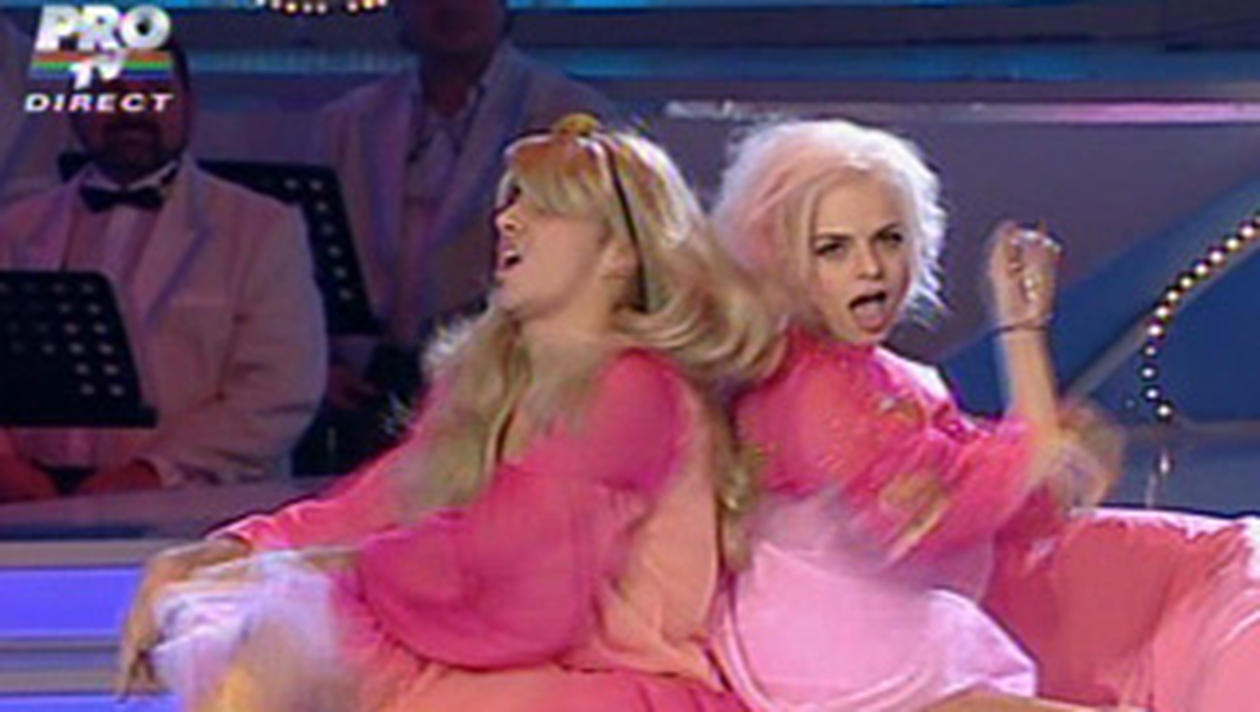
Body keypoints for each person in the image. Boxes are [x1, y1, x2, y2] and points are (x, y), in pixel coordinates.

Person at [117, 115, 777, 711]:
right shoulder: (490, 380)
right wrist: (232, 549)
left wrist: (294, 573)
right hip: (499, 675)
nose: (508, 221)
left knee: (291, 636)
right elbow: (381, 501)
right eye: (510, 202)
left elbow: (514, 579)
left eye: (545, 208)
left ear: (621, 253)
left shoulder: (635, 388)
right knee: (267, 637)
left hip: (608, 689)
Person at [709, 119, 1119, 712]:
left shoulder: (884, 375)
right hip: (831, 647)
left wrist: (1022, 331)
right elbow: (941, 511)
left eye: (888, 239)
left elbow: (1006, 480)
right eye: (833, 249)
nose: (871, 268)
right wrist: (1025, 358)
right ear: (779, 259)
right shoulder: (810, 389)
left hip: (872, 630)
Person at [0, 44, 326, 500]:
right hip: (24, 498)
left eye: (155, 90)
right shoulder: (13, 227)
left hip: (188, 500)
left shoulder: (262, 228)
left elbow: (279, 390)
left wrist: (149, 474)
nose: (133, 110)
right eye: (111, 92)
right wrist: (10, 470)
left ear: (190, 103)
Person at [311, 0, 616, 470]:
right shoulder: (348, 120)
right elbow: (306, 257)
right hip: (368, 379)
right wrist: (320, 363)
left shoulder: (569, 115)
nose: (452, 7)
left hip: (503, 374)